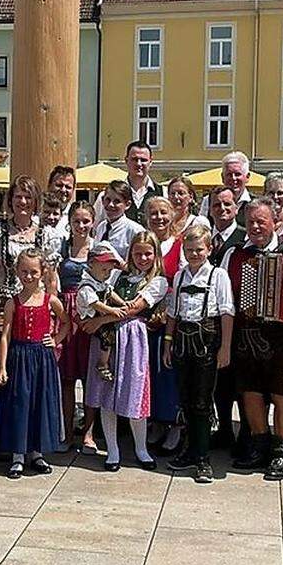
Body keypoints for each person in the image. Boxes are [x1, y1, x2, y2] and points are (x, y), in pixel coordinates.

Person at [222, 197, 283, 481]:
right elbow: (223, 296)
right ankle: (259, 447)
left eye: (262, 221)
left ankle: (280, 455)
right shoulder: (234, 254)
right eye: (250, 222)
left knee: (282, 395)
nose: (256, 226)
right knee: (250, 393)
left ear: (275, 222)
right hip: (246, 334)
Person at [83, 232, 166, 472]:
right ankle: (113, 450)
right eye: (137, 253)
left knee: (134, 392)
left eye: (147, 253)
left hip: (133, 339)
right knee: (107, 392)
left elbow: (134, 308)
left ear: (155, 255)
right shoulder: (118, 275)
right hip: (108, 339)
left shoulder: (157, 281)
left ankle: (141, 448)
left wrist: (99, 321)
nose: (142, 258)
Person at [163, 224, 234, 483]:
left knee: (203, 402)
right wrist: (167, 343)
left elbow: (227, 313)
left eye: (199, 250)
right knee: (186, 400)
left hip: (207, 342)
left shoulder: (218, 276)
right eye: (190, 250)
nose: (194, 254)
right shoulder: (180, 276)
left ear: (209, 249)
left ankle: (203, 460)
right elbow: (172, 313)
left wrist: (225, 348)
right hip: (182, 342)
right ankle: (190, 451)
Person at [0, 249, 68, 478]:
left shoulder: (50, 300)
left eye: (33, 272)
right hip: (19, 356)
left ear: (42, 272)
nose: (28, 276)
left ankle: (37, 453)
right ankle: (18, 455)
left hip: (42, 358)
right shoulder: (12, 302)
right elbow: (5, 335)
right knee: (20, 403)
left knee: (40, 403)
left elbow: (66, 323)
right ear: (17, 271)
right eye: (24, 271)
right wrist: (3, 366)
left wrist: (54, 340)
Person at [0, 175, 57, 330]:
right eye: (18, 197)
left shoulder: (46, 234)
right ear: (11, 200)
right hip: (1, 307)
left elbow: (51, 279)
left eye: (28, 197)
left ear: (35, 202)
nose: (23, 202)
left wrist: (51, 313)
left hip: (36, 306)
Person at [56, 202, 100, 452]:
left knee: (90, 376)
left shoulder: (98, 248)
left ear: (93, 222)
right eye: (77, 221)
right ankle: (66, 433)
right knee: (67, 379)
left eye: (86, 221)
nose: (81, 226)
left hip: (90, 314)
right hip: (66, 312)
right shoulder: (62, 248)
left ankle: (89, 433)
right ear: (70, 222)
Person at [207, 185, 247, 451]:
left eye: (227, 205)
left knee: (241, 382)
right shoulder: (203, 239)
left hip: (240, 320)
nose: (222, 210)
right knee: (219, 381)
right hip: (212, 321)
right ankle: (223, 429)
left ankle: (245, 433)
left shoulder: (245, 238)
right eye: (216, 206)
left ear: (236, 209)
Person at [145, 196, 183, 454]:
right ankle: (157, 421)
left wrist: (168, 313)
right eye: (154, 213)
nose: (159, 218)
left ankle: (176, 426)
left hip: (171, 320)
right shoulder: (145, 243)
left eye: (163, 213)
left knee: (170, 374)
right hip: (144, 320)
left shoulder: (180, 246)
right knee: (151, 374)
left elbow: (181, 284)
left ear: (172, 216)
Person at [77, 242, 129, 384]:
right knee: (107, 336)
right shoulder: (87, 285)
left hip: (100, 316)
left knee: (110, 334)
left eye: (109, 271)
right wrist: (113, 310)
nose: (107, 274)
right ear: (91, 264)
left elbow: (110, 293)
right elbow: (95, 304)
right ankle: (102, 363)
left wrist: (122, 303)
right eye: (104, 270)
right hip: (89, 317)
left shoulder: (101, 282)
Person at [93, 141, 162, 226]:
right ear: (126, 160)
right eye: (135, 159)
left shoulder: (163, 193)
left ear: (150, 162)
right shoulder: (106, 196)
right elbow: (95, 228)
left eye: (143, 160)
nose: (139, 164)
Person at [94, 180, 147, 260]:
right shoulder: (101, 227)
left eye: (117, 201)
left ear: (127, 205)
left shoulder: (135, 231)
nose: (111, 205)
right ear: (102, 200)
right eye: (107, 200)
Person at [199, 151, 254, 227]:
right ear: (222, 177)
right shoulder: (208, 201)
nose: (233, 178)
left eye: (237, 174)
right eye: (229, 174)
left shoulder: (255, 203)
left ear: (247, 177)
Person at [46, 165, 77, 235]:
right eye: (59, 185)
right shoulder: (37, 212)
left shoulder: (76, 216)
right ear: (49, 185)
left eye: (68, 187)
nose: (63, 190)